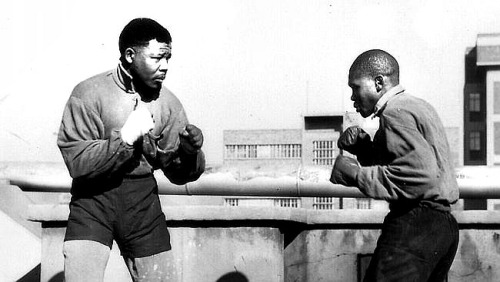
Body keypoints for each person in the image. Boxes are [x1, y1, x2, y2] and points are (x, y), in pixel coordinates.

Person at [57, 18, 205, 281]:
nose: (165, 66)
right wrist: (124, 138)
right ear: (130, 55)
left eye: (168, 58)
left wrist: (189, 152)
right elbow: (76, 161)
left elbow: (178, 174)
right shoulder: (88, 93)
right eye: (157, 58)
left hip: (142, 204)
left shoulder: (169, 104)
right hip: (92, 200)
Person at [330, 49, 459, 281]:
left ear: (379, 83)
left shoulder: (394, 113)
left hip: (415, 225)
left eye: (356, 87)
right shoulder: (418, 106)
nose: (352, 97)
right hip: (442, 227)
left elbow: (419, 177)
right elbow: (413, 164)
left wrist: (356, 175)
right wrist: (363, 148)